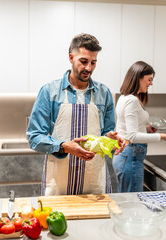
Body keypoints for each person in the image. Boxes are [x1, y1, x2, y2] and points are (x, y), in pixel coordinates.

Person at [27, 33, 125, 196]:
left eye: (93, 63)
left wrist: (111, 140)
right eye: (84, 61)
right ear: (71, 58)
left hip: (93, 181)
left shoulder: (104, 93)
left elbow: (104, 135)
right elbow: (34, 137)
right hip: (59, 181)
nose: (89, 68)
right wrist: (64, 146)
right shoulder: (50, 92)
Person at [113, 61, 166, 193]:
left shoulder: (124, 97)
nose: (151, 83)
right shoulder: (132, 101)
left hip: (125, 155)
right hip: (130, 156)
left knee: (126, 201)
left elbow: (124, 127)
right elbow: (132, 136)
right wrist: (163, 136)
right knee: (131, 203)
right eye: (149, 79)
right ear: (138, 77)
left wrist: (146, 128)